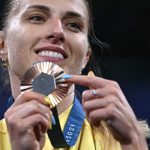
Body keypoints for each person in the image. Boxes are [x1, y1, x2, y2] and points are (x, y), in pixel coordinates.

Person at [0, 0, 149, 149]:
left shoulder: (122, 140)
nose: (58, 31)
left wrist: (134, 141)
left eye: (73, 25)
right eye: (37, 18)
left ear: (86, 56)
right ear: (2, 44)